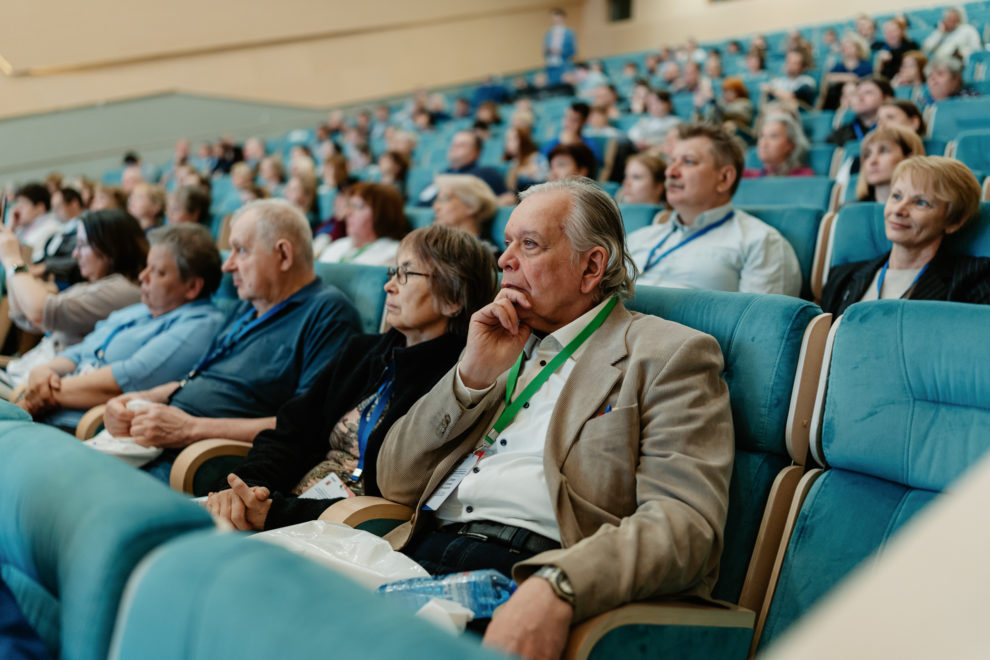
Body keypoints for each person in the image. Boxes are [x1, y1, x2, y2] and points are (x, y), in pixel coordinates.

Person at [374, 178, 733, 660]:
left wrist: (560, 585)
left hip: (533, 569)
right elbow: (394, 481)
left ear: (591, 267)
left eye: (529, 244)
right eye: (506, 243)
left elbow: (685, 527)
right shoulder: (499, 342)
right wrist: (470, 376)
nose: (504, 260)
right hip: (419, 555)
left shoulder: (669, 354)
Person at [204, 225, 499, 530]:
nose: (389, 286)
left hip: (349, 529)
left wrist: (275, 513)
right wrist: (245, 489)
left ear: (454, 299)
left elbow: (397, 498)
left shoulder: (458, 386)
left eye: (406, 274)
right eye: (393, 272)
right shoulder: (362, 351)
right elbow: (290, 434)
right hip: (279, 509)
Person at [100, 200, 361, 481]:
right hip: (162, 442)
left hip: (206, 460)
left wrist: (190, 429)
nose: (227, 265)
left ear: (284, 255)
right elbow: (198, 378)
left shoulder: (328, 313)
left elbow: (305, 427)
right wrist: (141, 399)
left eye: (241, 250)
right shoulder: (247, 306)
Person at [17, 225, 226, 428]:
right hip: (49, 410)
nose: (143, 277)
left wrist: (41, 394)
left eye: (158, 272)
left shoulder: (202, 324)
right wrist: (44, 370)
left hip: (84, 427)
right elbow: (80, 351)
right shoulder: (143, 308)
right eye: (147, 266)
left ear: (192, 287)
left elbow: (127, 380)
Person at [627, 123, 801, 295]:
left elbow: (757, 314)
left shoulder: (761, 243)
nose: (670, 172)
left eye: (688, 161)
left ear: (724, 178)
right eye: (672, 161)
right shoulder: (639, 238)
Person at [822, 155, 990, 315]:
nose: (898, 210)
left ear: (954, 221)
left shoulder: (975, 279)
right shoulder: (842, 277)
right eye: (896, 196)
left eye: (921, 202)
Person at [0, 209, 147, 352]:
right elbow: (24, 316)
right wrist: (12, 261)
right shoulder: (94, 285)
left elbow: (39, 312)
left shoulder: (120, 291)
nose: (75, 254)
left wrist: (13, 260)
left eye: (82, 245)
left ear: (110, 249)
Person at [318, 182, 409, 266]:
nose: (348, 213)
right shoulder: (338, 245)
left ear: (382, 214)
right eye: (350, 206)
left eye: (357, 207)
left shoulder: (393, 255)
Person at [418, 131, 508, 204]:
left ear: (476, 152)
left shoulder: (487, 174)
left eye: (461, 145)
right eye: (453, 144)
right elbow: (423, 201)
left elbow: (507, 198)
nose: (454, 148)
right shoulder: (441, 175)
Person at [855, 125, 926, 203]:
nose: (872, 161)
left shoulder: (925, 206)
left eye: (883, 151)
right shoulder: (850, 208)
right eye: (867, 155)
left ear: (909, 158)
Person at [826, 76, 895, 146]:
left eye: (868, 92)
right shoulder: (839, 135)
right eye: (856, 93)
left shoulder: (895, 131)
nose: (859, 97)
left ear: (887, 99)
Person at [744, 113, 814, 178]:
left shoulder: (802, 175)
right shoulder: (746, 176)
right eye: (762, 136)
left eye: (773, 136)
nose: (763, 143)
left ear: (790, 145)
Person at [432, 175, 498, 242]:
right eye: (437, 200)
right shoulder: (437, 244)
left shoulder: (486, 248)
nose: (436, 207)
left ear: (471, 206)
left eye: (445, 199)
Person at [9, 184, 60, 263]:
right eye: (18, 203)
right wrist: (12, 227)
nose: (17, 209)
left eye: (23, 204)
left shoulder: (51, 228)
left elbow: (23, 255)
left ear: (40, 208)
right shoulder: (24, 226)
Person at [502, 125, 549, 198]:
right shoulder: (514, 162)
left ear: (522, 140)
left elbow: (543, 181)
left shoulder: (537, 158)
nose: (507, 144)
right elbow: (510, 188)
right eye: (507, 140)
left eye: (511, 139)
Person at [544, 8, 577, 84]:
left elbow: (573, 52)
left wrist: (560, 51)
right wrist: (548, 50)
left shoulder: (569, 33)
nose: (554, 20)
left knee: (565, 85)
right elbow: (544, 52)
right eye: (552, 17)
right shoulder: (548, 34)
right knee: (553, 86)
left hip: (563, 65)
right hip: (551, 66)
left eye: (556, 17)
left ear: (562, 18)